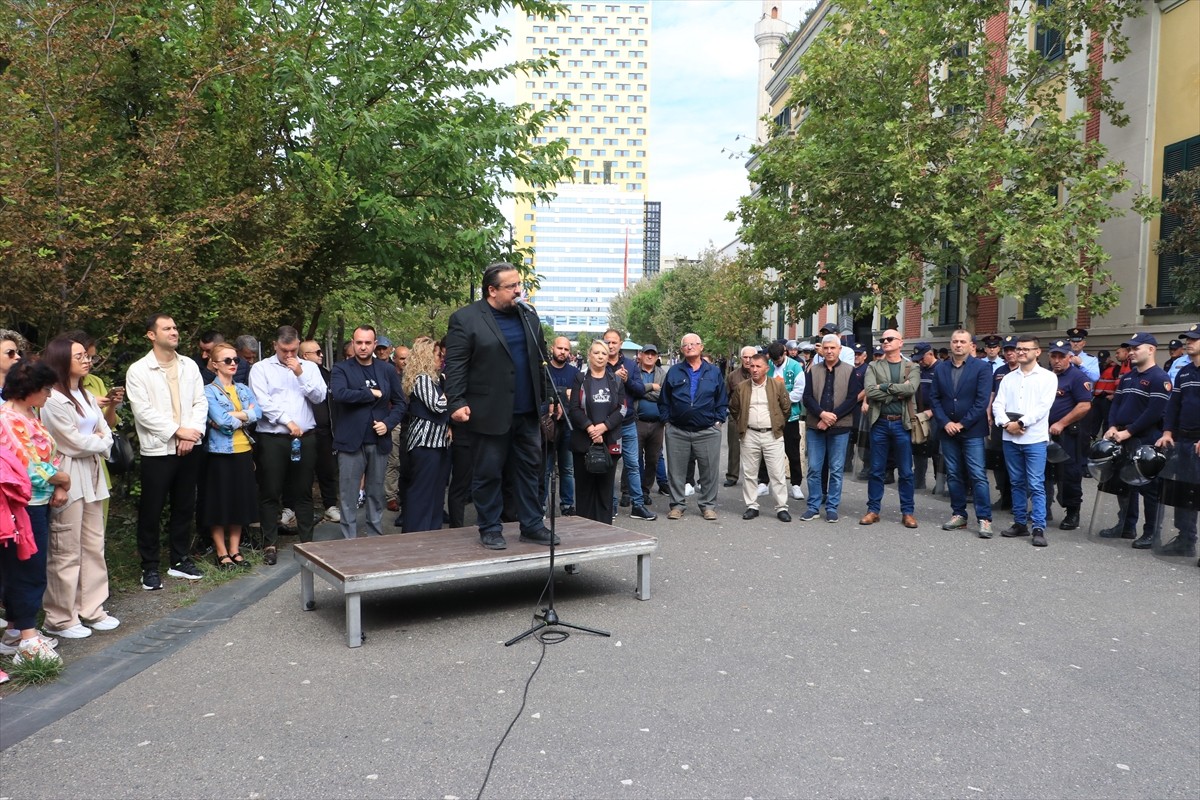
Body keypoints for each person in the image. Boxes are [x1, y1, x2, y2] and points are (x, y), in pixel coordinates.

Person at [444, 262, 556, 550]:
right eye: (511, 286)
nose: (518, 290)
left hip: (527, 412)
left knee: (530, 471)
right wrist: (456, 401)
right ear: (491, 290)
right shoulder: (465, 319)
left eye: (519, 284)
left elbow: (540, 360)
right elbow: (455, 366)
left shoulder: (529, 316)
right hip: (487, 411)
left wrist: (548, 398)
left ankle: (532, 525)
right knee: (488, 473)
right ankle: (490, 528)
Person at [39, 337, 118, 637]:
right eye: (79, 356)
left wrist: (99, 440)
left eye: (87, 355)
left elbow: (105, 431)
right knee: (66, 547)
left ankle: (92, 609)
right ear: (62, 360)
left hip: (93, 474)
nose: (87, 360)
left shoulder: (85, 394)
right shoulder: (52, 399)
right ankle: (60, 617)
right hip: (68, 474)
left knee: (93, 544)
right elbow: (71, 442)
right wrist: (99, 441)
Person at [126, 313, 207, 589]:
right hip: (158, 450)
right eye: (167, 328)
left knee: (184, 505)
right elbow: (143, 412)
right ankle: (149, 567)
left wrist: (191, 433)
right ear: (151, 335)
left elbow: (200, 402)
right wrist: (177, 431)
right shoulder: (139, 370)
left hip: (189, 446)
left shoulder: (189, 366)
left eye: (175, 327)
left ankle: (179, 560)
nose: (174, 332)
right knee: (152, 509)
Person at [0, 361, 69, 664]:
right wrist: (63, 479)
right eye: (46, 389)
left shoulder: (30, 414)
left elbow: (49, 455)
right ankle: (28, 641)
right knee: (26, 567)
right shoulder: (7, 420)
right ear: (29, 389)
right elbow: (27, 467)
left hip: (40, 501)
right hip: (21, 505)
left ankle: (15, 633)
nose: (49, 395)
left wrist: (59, 486)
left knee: (28, 565)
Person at [250, 325, 328, 564]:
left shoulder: (310, 368)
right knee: (270, 491)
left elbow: (320, 396)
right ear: (275, 345)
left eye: (293, 350)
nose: (289, 355)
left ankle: (307, 544)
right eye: (284, 350)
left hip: (305, 438)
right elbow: (262, 402)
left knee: (303, 490)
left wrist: (300, 373)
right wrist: (287, 421)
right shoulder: (261, 368)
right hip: (273, 438)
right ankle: (270, 544)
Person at [330, 325, 406, 539]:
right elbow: (340, 394)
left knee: (375, 492)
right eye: (359, 342)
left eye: (367, 343)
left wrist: (388, 424)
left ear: (375, 344)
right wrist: (369, 393)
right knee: (348, 494)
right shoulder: (341, 369)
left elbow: (400, 403)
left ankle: (374, 538)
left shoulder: (387, 370)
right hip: (350, 441)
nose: (363, 347)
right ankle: (349, 540)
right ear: (353, 343)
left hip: (378, 440)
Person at [1098, 333, 1171, 548]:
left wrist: (1129, 431)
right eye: (1130, 349)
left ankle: (1151, 533)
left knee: (1149, 488)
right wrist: (1112, 425)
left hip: (1146, 437)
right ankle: (1126, 526)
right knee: (1124, 483)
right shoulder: (1128, 377)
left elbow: (1154, 412)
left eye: (1136, 348)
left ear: (1151, 350)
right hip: (1123, 435)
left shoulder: (1159, 378)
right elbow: (1116, 404)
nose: (1131, 352)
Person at [992, 335, 1057, 547]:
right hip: (1010, 438)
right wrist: (1005, 424)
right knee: (1016, 482)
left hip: (1034, 438)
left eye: (1026, 349)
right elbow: (997, 404)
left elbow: (1043, 407)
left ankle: (1038, 527)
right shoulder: (1008, 378)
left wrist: (1020, 423)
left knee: (1036, 484)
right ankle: (1020, 522)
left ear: (1037, 352)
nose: (1020, 352)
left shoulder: (1048, 377)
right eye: (1018, 349)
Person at [929, 329, 994, 538]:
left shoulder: (982, 368)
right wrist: (946, 422)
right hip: (947, 430)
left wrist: (962, 424)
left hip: (972, 430)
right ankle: (959, 514)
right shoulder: (941, 368)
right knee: (954, 474)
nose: (958, 345)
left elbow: (982, 400)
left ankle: (984, 518)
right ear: (950, 343)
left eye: (962, 342)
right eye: (955, 341)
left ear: (971, 345)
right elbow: (934, 399)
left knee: (977, 475)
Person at [201, 342, 261, 569]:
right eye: (227, 360)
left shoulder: (243, 389)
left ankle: (235, 550)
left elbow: (258, 413)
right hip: (220, 453)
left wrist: (233, 416)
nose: (234, 363)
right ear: (215, 364)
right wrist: (244, 415)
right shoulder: (208, 391)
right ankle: (221, 552)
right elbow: (222, 420)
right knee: (219, 503)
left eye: (236, 359)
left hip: (243, 450)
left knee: (239, 502)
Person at [659, 333, 728, 521]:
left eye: (693, 344)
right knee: (676, 471)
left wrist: (719, 420)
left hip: (707, 431)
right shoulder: (674, 371)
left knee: (709, 471)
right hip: (677, 431)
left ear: (701, 347)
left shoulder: (713, 372)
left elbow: (722, 399)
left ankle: (708, 506)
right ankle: (677, 505)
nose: (690, 347)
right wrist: (667, 421)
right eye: (686, 345)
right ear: (682, 350)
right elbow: (664, 400)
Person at [860, 329, 920, 528]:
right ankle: (873, 510)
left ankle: (908, 512)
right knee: (876, 470)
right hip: (880, 422)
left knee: (906, 471)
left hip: (902, 424)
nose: (885, 341)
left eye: (890, 339)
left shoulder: (911, 366)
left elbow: (911, 389)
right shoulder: (874, 365)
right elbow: (870, 391)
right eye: (883, 339)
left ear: (900, 342)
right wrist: (897, 392)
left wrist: (884, 387)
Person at [801, 334, 862, 522]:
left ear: (839, 350)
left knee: (836, 470)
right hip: (816, 426)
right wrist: (821, 414)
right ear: (822, 349)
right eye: (826, 348)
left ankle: (832, 507)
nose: (829, 351)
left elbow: (852, 399)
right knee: (814, 468)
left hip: (840, 428)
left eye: (832, 348)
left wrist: (830, 418)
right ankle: (813, 506)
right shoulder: (813, 370)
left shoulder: (849, 371)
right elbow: (807, 397)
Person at [729, 351, 792, 522]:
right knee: (749, 473)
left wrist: (778, 424)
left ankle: (781, 507)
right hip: (749, 434)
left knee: (777, 473)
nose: (754, 369)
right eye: (752, 366)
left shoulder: (777, 386)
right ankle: (752, 506)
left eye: (758, 366)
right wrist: (743, 424)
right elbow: (734, 408)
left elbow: (786, 408)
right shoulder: (742, 387)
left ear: (766, 368)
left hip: (772, 435)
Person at [567, 341, 625, 523]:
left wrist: (604, 427)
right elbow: (574, 408)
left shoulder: (616, 380)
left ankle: (605, 528)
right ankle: (584, 530)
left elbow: (622, 409)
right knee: (584, 490)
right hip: (584, 442)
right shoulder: (580, 378)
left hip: (609, 441)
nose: (600, 356)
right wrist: (590, 428)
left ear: (608, 357)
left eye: (604, 353)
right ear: (589, 355)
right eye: (597, 353)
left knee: (604, 491)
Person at [1156, 324, 1200, 562]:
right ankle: (1185, 540)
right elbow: (1173, 405)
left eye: (1194, 339)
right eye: (1187, 339)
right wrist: (1167, 431)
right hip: (1183, 439)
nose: (1188, 343)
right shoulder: (1184, 372)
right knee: (1184, 492)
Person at [602, 328, 655, 520]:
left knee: (633, 464)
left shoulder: (631, 365)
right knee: (609, 466)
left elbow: (640, 390)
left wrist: (626, 381)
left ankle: (637, 505)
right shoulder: (600, 362)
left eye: (614, 342)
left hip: (628, 422)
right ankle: (610, 505)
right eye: (607, 342)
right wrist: (614, 378)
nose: (610, 346)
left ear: (621, 344)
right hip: (608, 424)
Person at [400, 337, 451, 533]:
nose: (441, 359)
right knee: (422, 492)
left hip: (438, 443)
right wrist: (452, 392)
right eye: (438, 355)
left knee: (436, 492)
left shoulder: (435, 380)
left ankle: (431, 532)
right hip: (425, 443)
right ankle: (416, 534)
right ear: (426, 357)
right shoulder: (422, 379)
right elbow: (438, 405)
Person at [1044, 339, 1094, 531]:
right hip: (1045, 433)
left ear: (1070, 357)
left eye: (1061, 356)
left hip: (1068, 435)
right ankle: (1044, 509)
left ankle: (1073, 512)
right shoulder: (1046, 376)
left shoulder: (1077, 377)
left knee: (1069, 474)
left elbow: (1084, 406)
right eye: (1054, 356)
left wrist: (1062, 423)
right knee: (1044, 473)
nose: (1057, 360)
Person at [300, 340, 339, 523]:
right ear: (305, 356)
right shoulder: (294, 374)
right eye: (317, 352)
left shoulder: (326, 374)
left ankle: (330, 505)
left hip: (325, 431)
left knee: (327, 469)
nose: (321, 354)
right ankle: (295, 508)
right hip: (303, 432)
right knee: (302, 472)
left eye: (321, 351)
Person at [766, 341, 806, 500]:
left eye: (778, 360)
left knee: (792, 451)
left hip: (790, 416)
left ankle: (796, 484)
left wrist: (780, 400)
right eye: (773, 361)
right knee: (766, 449)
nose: (776, 363)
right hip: (769, 416)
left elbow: (799, 391)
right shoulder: (767, 365)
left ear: (785, 353)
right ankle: (763, 482)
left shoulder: (796, 367)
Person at [545, 336, 579, 516]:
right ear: (553, 348)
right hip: (547, 426)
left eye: (566, 349)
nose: (562, 352)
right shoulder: (544, 370)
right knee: (545, 469)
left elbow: (576, 398)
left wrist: (563, 395)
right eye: (560, 348)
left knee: (567, 468)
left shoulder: (574, 373)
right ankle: (541, 507)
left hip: (568, 426)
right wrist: (563, 393)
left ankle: (567, 505)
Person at [986, 336, 1020, 511]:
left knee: (1016, 461)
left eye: (1012, 349)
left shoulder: (1025, 370)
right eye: (1007, 350)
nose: (1009, 353)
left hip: (1019, 423)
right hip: (1000, 421)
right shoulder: (1000, 370)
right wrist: (988, 413)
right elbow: (993, 394)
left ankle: (1017, 498)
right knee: (998, 460)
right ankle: (1004, 495)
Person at [634, 343, 668, 508]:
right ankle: (633, 491)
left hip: (657, 424)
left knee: (653, 459)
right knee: (634, 458)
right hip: (637, 421)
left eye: (652, 354)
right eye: (646, 353)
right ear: (640, 355)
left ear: (656, 357)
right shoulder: (634, 371)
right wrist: (649, 389)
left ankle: (645, 489)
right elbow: (633, 390)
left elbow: (663, 396)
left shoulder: (663, 374)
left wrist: (642, 392)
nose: (649, 356)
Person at [723, 346, 756, 488]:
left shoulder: (760, 374)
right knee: (734, 448)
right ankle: (732, 475)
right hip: (736, 417)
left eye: (751, 357)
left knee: (755, 449)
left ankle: (755, 477)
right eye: (745, 357)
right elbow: (725, 396)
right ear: (741, 358)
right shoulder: (732, 376)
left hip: (755, 416)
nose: (748, 360)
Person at [385, 343, 412, 517]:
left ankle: (407, 494)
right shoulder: (389, 375)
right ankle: (391, 496)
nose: (405, 362)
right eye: (402, 358)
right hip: (395, 421)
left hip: (410, 422)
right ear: (394, 359)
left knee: (408, 461)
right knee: (394, 460)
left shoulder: (414, 376)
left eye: (408, 358)